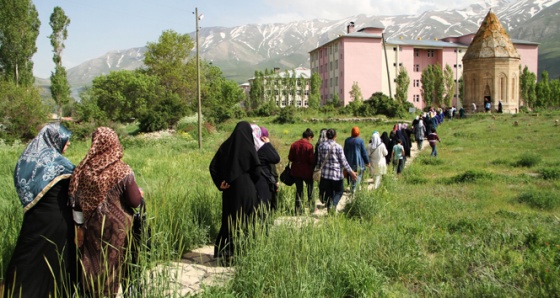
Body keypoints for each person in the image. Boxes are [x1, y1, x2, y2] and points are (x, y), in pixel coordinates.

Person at [68, 127, 143, 297]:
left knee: (93, 263)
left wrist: (79, 227)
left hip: (92, 228)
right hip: (117, 230)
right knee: (115, 266)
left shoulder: (83, 170)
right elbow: (135, 201)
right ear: (114, 143)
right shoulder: (122, 170)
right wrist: (139, 193)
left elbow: (77, 203)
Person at [4, 123, 77, 298]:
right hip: (58, 221)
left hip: (33, 219)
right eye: (65, 140)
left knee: (28, 258)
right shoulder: (60, 164)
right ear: (55, 139)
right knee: (55, 262)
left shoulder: (25, 161)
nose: (68, 143)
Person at [209, 121, 261, 260]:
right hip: (247, 189)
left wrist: (220, 183)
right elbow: (257, 172)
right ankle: (242, 251)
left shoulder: (226, 146)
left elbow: (213, 167)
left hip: (230, 190)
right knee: (246, 220)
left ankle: (225, 252)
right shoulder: (249, 147)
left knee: (230, 220)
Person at [317, 129, 357, 212]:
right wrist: (351, 172)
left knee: (329, 192)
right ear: (335, 136)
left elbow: (319, 161)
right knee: (339, 190)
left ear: (327, 136)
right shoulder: (338, 147)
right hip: (336, 175)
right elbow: (344, 162)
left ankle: (329, 209)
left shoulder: (321, 146)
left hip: (325, 175)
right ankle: (333, 205)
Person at [252, 125, 280, 215]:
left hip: (251, 182)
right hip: (265, 181)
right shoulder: (264, 149)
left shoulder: (248, 147)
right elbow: (274, 162)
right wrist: (268, 144)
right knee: (267, 206)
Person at [288, 128, 315, 214]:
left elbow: (290, 158)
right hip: (307, 171)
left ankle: (298, 210)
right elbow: (311, 160)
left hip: (296, 171)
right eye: (312, 138)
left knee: (299, 190)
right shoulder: (309, 146)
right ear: (309, 137)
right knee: (310, 190)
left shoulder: (294, 145)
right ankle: (311, 208)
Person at [343, 126, 369, 193]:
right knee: (358, 176)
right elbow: (364, 153)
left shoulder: (347, 140)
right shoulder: (360, 141)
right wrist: (367, 162)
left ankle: (352, 188)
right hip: (358, 162)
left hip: (349, 162)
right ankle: (354, 190)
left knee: (351, 175)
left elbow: (345, 152)